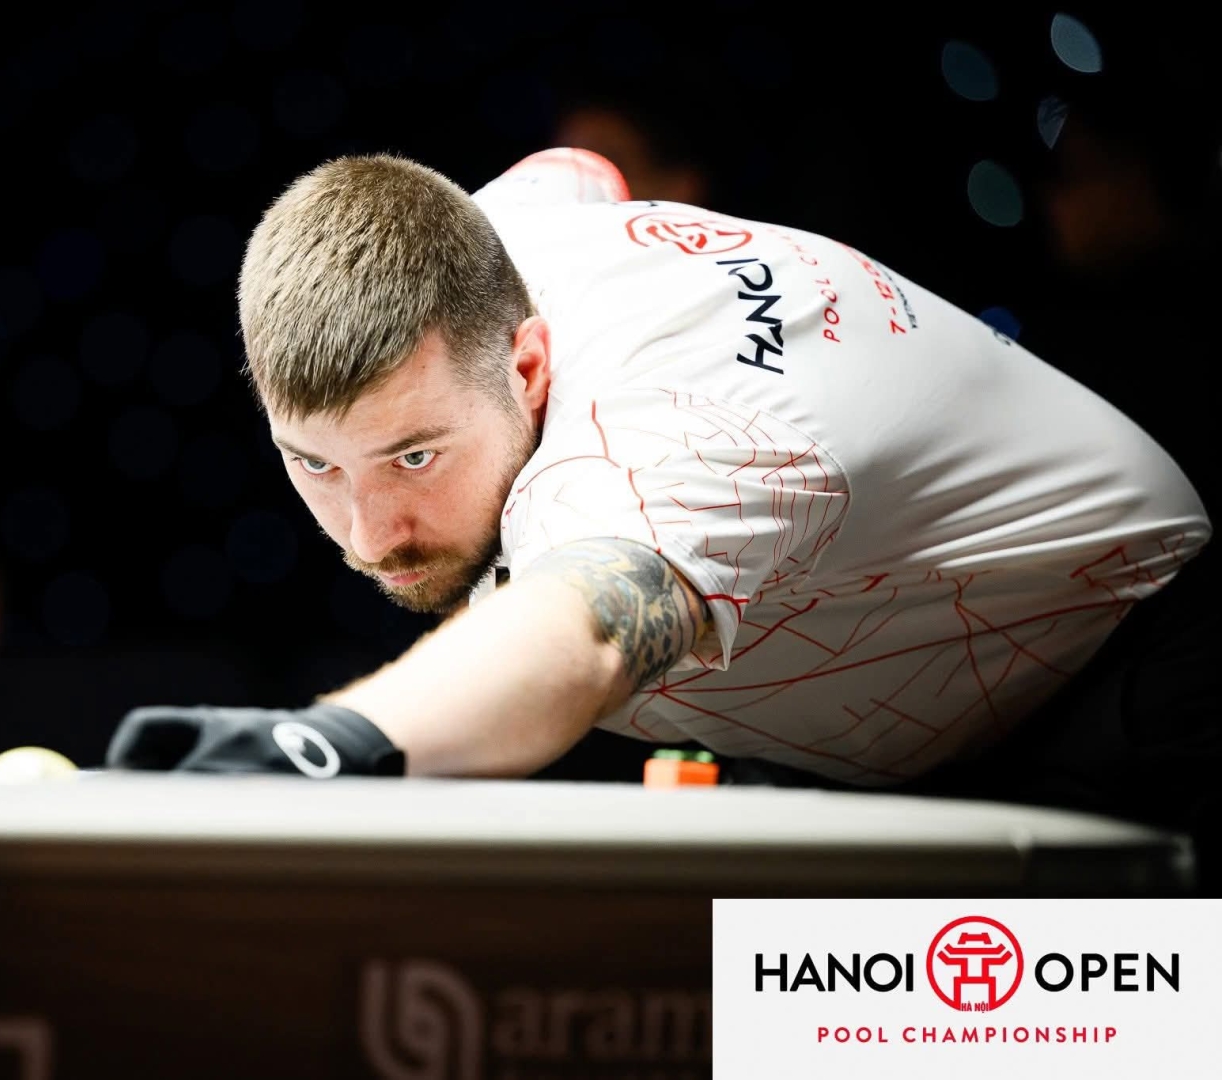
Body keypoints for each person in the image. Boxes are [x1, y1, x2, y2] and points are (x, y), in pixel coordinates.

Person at [107, 148, 1213, 843]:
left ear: (529, 366)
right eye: (314, 465)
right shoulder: (489, 248)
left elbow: (586, 634)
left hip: (1141, 680)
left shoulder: (677, 440)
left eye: (414, 458)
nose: (369, 532)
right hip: (888, 743)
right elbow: (571, 170)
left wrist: (325, 746)